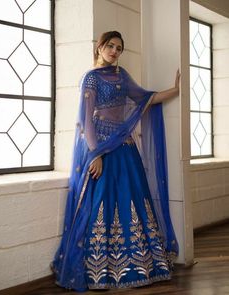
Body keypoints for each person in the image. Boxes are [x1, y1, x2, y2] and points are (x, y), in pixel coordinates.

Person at [51, 31, 180, 291]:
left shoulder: (122, 76)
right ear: (99, 47)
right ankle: (99, 269)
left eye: (119, 48)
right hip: (100, 148)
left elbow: (146, 98)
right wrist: (96, 154)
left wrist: (175, 90)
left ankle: (139, 264)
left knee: (131, 198)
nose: (114, 51)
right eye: (110, 46)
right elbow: (85, 120)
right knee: (100, 202)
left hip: (125, 148)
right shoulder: (90, 79)